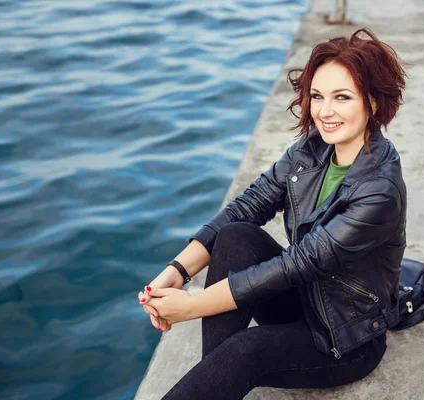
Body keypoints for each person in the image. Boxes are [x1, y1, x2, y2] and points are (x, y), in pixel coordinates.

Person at [138, 27, 408, 399]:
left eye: (342, 97)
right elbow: (246, 207)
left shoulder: (379, 191)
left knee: (244, 351)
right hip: (302, 299)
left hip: (344, 338)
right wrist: (176, 272)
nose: (324, 112)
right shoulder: (311, 149)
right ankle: (216, 384)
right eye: (317, 96)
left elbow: (300, 263)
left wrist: (194, 306)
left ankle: (216, 380)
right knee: (235, 236)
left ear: (373, 103)